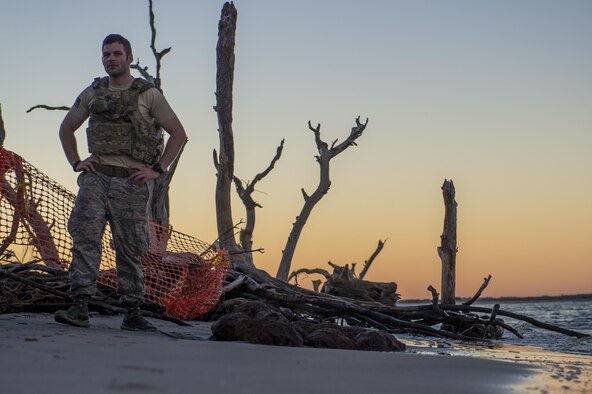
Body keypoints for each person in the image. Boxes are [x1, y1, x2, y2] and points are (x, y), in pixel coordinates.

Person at [54, 34, 187, 331]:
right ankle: (79, 306)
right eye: (106, 54)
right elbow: (66, 128)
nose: (111, 59)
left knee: (129, 245)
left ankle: (132, 311)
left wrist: (158, 168)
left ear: (129, 57)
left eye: (117, 53)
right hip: (96, 177)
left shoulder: (148, 94)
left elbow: (179, 134)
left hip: (131, 182)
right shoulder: (94, 92)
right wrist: (76, 162)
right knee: (85, 236)